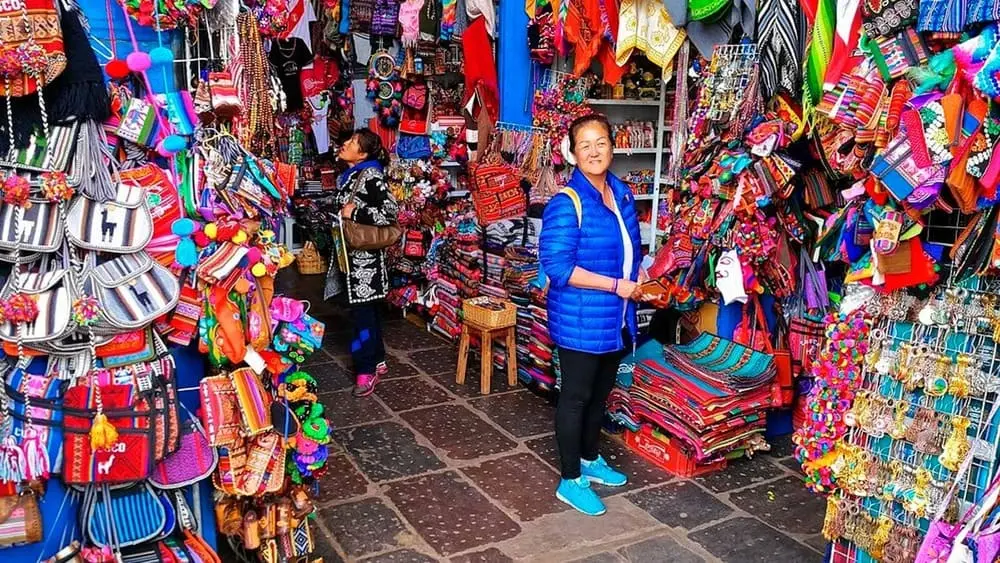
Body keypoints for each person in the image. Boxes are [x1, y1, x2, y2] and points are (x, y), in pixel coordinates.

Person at [539, 113, 646, 516]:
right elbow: (559, 268)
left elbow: (627, 248)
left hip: (616, 316)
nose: (594, 151)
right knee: (576, 398)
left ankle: (589, 457)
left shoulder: (620, 194)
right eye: (585, 145)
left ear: (613, 146)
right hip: (581, 318)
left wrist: (639, 274)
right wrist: (616, 285)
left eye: (600, 142)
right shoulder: (566, 203)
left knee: (601, 396)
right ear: (573, 153)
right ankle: (570, 479)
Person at [335, 128, 399, 396]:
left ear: (361, 154)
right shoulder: (352, 175)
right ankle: (378, 358)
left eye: (351, 143)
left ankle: (365, 370)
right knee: (368, 312)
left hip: (366, 264)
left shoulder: (371, 175)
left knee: (362, 315)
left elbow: (390, 212)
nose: (345, 144)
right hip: (353, 260)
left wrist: (355, 211)